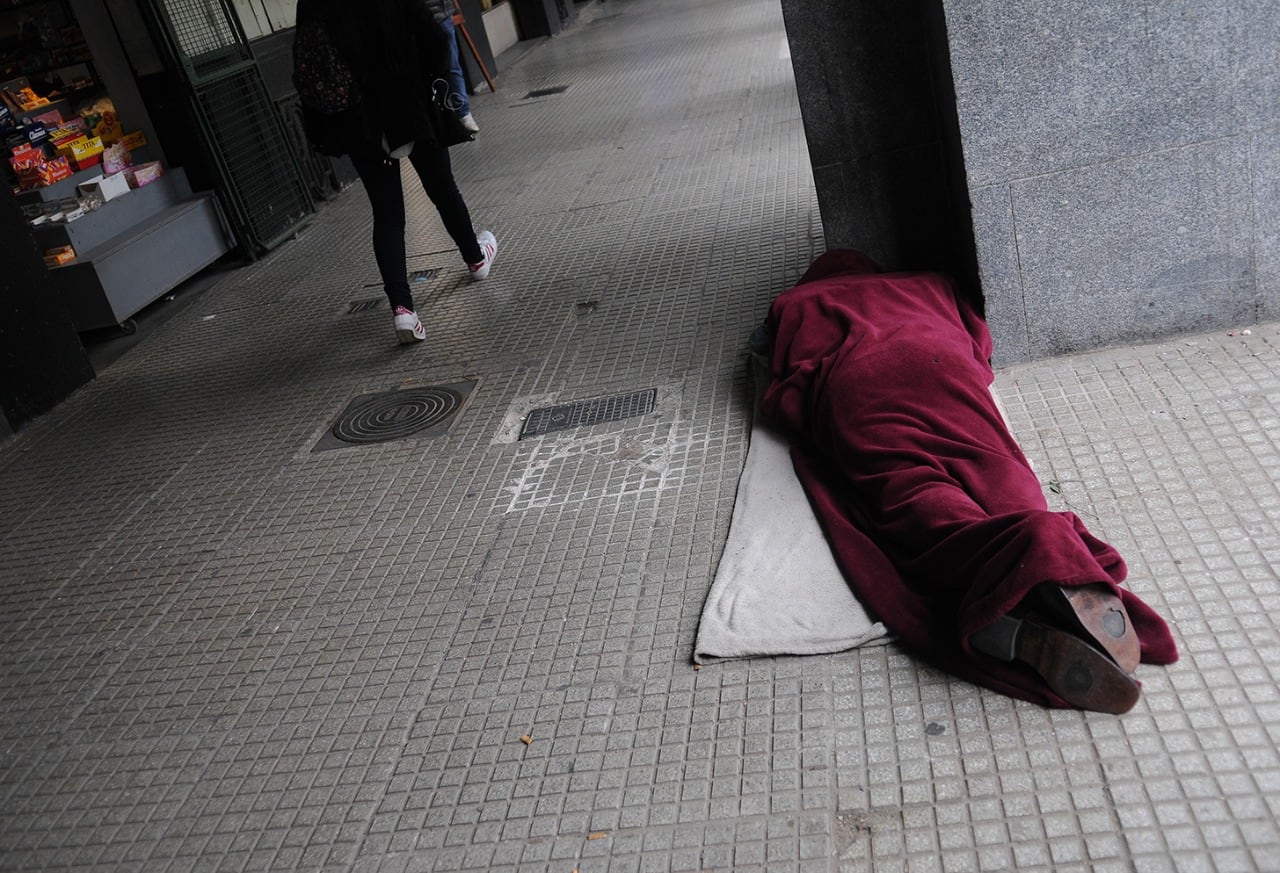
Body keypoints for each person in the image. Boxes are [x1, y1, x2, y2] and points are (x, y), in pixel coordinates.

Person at [759, 250, 1178, 714]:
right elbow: (980, 341)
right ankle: (1042, 544)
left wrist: (820, 421)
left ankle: (1026, 573)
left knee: (916, 494)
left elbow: (785, 398)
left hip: (861, 388)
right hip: (942, 368)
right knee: (1006, 483)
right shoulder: (929, 281)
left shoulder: (795, 304)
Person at [294, 0, 496, 344]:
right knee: (442, 187)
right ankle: (476, 259)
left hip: (356, 120)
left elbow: (307, 62)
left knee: (387, 213)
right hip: (409, 103)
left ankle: (403, 310)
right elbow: (434, 37)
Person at [425, 0, 480, 133]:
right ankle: (455, 114)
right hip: (423, 17)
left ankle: (463, 112)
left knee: (452, 66)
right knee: (446, 68)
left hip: (441, 15)